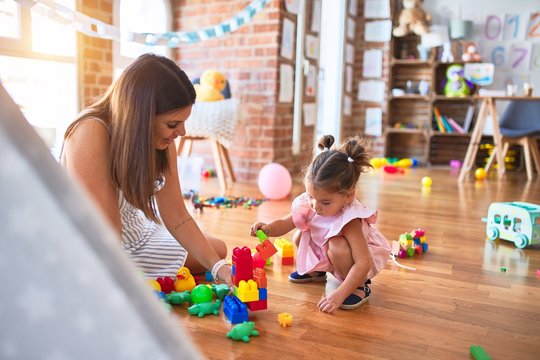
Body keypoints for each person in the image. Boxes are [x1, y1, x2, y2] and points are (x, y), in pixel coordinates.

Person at [61, 53, 232, 287]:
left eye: (183, 122)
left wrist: (220, 269)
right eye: (173, 124)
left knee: (218, 251)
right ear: (140, 116)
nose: (181, 132)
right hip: (104, 248)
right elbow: (106, 235)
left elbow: (177, 216)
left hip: (138, 232)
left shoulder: (161, 140)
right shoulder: (90, 132)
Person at [250, 135, 391, 313]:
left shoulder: (350, 220)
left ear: (348, 195)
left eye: (325, 202)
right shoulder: (312, 202)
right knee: (300, 234)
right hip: (326, 249)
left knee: (336, 244)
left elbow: (363, 262)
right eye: (311, 197)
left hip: (355, 264)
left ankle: (359, 287)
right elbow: (287, 222)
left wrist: (339, 293)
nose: (315, 206)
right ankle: (317, 271)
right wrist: (268, 228)